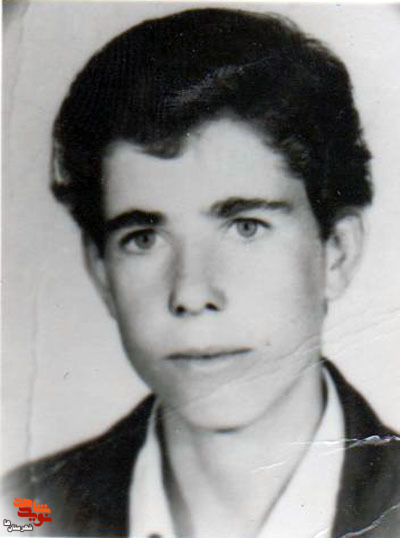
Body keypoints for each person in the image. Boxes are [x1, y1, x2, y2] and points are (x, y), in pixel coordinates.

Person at [4, 7, 399, 537]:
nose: (191, 293)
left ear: (337, 254)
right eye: (144, 238)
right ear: (101, 272)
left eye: (246, 227)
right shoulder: (25, 512)